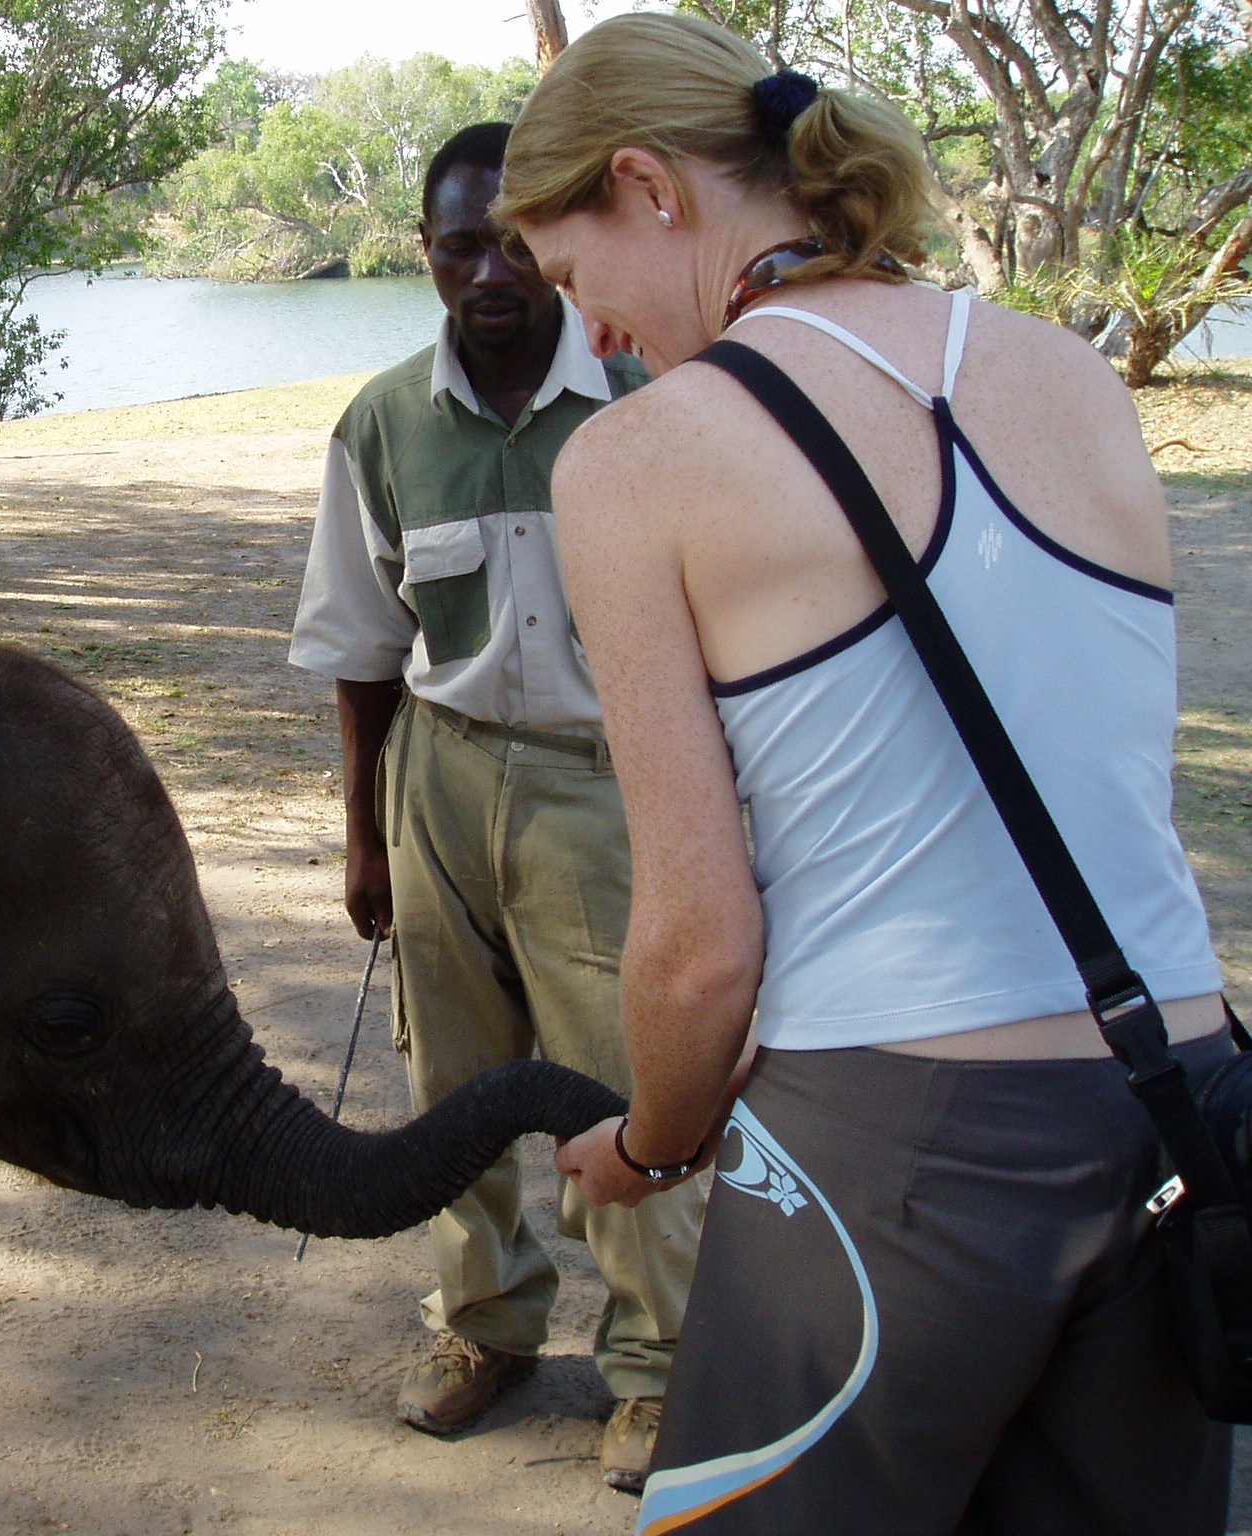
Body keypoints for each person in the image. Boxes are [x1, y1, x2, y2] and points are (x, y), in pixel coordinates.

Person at [492, 13, 1235, 1533]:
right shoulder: (1070, 380)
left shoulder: (639, 459)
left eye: (576, 279)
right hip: (1182, 1109)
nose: (594, 336)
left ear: (649, 186)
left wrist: (652, 1140)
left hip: (897, 1147)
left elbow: (699, 956)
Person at [288, 120, 707, 1493]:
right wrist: (366, 838)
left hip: (611, 787)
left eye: (517, 242)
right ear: (424, 256)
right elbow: (360, 650)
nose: (491, 272)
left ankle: (655, 1369)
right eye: (460, 244)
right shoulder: (384, 426)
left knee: (633, 1085)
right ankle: (484, 1327)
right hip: (442, 774)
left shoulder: (654, 401)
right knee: (452, 1084)